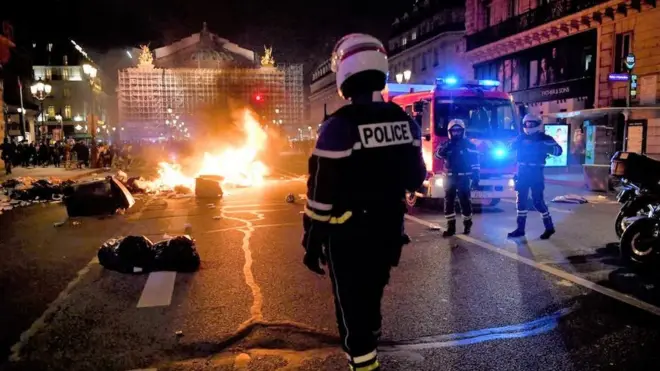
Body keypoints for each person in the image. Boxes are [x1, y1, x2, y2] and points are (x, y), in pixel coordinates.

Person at [302, 33, 426, 371]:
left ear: (343, 73)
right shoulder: (406, 122)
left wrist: (312, 242)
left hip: (349, 237)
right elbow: (416, 178)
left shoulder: (339, 126)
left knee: (351, 310)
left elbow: (320, 196)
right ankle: (367, 342)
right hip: (388, 231)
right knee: (371, 298)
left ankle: (364, 362)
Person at [508, 114, 563, 240]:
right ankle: (520, 229)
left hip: (536, 172)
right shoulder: (520, 138)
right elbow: (508, 148)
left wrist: (544, 146)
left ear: (537, 124)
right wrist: (512, 146)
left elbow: (559, 151)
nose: (529, 126)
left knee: (537, 201)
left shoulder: (544, 138)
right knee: (521, 202)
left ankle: (549, 227)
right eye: (527, 124)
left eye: (531, 124)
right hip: (522, 172)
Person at [434, 119, 480, 237]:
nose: (456, 133)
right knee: (449, 202)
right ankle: (451, 227)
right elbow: (437, 156)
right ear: (450, 132)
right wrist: (444, 149)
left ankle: (467, 223)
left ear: (463, 131)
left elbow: (475, 162)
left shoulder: (470, 145)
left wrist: (476, 177)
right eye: (454, 131)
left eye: (458, 130)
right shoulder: (445, 144)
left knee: (465, 202)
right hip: (449, 178)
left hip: (463, 178)